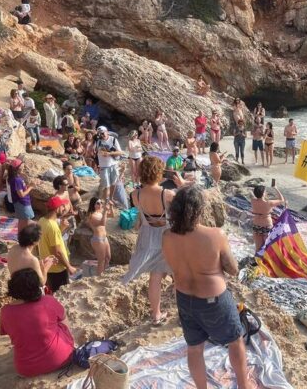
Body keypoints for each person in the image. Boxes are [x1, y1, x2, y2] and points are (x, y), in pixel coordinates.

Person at [162, 185, 252, 389]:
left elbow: (172, 267)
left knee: (194, 348)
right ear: (199, 210)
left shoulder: (167, 236)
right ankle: (245, 387)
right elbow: (233, 269)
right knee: (235, 340)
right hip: (214, 300)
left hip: (184, 299)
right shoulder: (215, 235)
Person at [122, 156, 175, 326]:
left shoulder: (134, 194)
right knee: (179, 275)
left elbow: (140, 215)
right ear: (158, 173)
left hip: (148, 237)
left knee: (155, 277)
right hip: (167, 237)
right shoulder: (167, 194)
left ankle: (156, 315)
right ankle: (184, 312)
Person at [0, 268, 75, 377]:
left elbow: (10, 333)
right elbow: (64, 320)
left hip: (26, 369)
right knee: (61, 320)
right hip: (61, 358)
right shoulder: (48, 301)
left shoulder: (5, 311)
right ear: (36, 286)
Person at [38, 196, 75, 292]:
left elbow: (52, 240)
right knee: (60, 295)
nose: (64, 209)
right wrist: (69, 266)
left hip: (48, 266)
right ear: (57, 208)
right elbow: (57, 252)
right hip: (57, 269)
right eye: (62, 206)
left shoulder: (42, 220)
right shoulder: (52, 227)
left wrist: (61, 228)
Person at [250, 185, 286, 253]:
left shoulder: (253, 201)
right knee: (267, 247)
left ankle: (257, 261)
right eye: (265, 191)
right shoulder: (269, 203)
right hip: (266, 226)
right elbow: (282, 200)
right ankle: (266, 261)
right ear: (263, 193)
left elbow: (253, 195)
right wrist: (276, 188)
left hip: (256, 225)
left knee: (258, 248)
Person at [95, 126, 124, 202]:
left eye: (102, 133)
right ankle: (106, 200)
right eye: (100, 134)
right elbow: (95, 151)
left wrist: (109, 153)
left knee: (113, 183)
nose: (102, 135)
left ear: (107, 131)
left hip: (113, 164)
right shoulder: (98, 141)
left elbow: (120, 152)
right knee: (106, 185)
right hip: (103, 166)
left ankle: (110, 198)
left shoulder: (113, 139)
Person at [87, 198, 113, 275]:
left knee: (108, 258)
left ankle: (103, 273)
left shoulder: (100, 212)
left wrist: (111, 207)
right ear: (93, 205)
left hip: (104, 238)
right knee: (101, 261)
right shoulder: (91, 215)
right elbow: (102, 223)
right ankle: (99, 277)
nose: (100, 204)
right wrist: (105, 211)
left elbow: (112, 215)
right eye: (98, 203)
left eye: (101, 202)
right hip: (97, 239)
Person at [7, 159, 34, 231]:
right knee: (25, 221)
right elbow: (21, 195)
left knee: (23, 221)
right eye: (22, 166)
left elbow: (22, 189)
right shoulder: (17, 179)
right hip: (21, 203)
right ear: (17, 168)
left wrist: (30, 185)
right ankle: (22, 237)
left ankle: (21, 237)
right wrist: (31, 187)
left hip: (23, 202)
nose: (23, 167)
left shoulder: (17, 178)